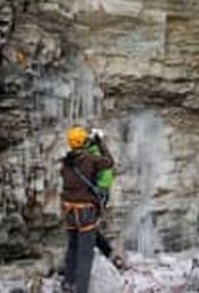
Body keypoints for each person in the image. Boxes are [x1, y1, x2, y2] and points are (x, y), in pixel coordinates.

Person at [60, 126, 115, 293]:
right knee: (85, 254)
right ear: (83, 141)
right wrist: (100, 143)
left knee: (72, 248)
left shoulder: (66, 162)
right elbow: (110, 162)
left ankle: (68, 284)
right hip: (85, 211)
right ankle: (81, 290)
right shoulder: (91, 160)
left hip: (68, 210)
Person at [86, 129, 124, 271]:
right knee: (89, 228)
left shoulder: (92, 154)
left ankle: (108, 255)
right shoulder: (98, 153)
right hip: (100, 194)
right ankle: (110, 255)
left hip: (94, 194)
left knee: (88, 229)